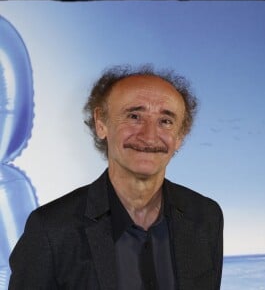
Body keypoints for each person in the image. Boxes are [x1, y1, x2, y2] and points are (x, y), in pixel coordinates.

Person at [8, 64, 223, 290]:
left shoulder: (205, 216)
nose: (149, 136)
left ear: (180, 136)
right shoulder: (51, 229)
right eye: (134, 116)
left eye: (165, 121)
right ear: (101, 124)